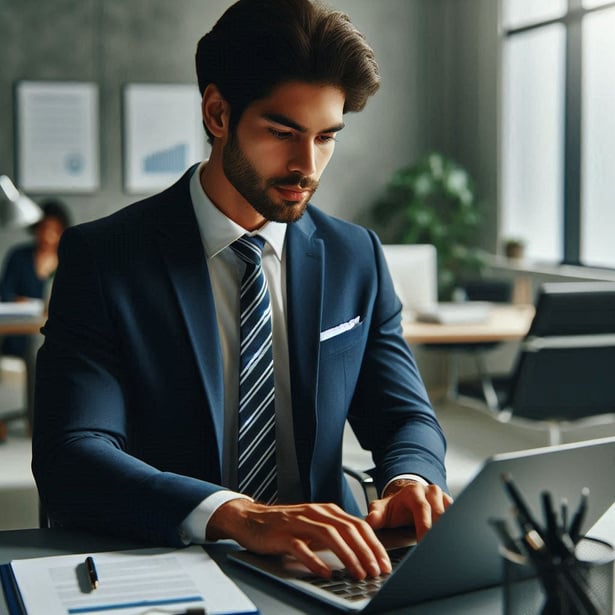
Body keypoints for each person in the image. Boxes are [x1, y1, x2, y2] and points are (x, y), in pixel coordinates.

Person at [33, 0, 452, 581]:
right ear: (217, 113)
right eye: (283, 132)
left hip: (331, 565)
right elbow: (72, 454)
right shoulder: (104, 259)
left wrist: (411, 479)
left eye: (326, 137)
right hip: (169, 559)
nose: (307, 165)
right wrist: (238, 516)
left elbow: (405, 415)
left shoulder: (357, 257)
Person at [0, 199, 71, 358]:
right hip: (20, 335)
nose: (48, 236)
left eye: (55, 230)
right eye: (44, 228)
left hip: (58, 337)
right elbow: (5, 292)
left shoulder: (69, 259)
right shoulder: (19, 256)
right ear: (36, 229)